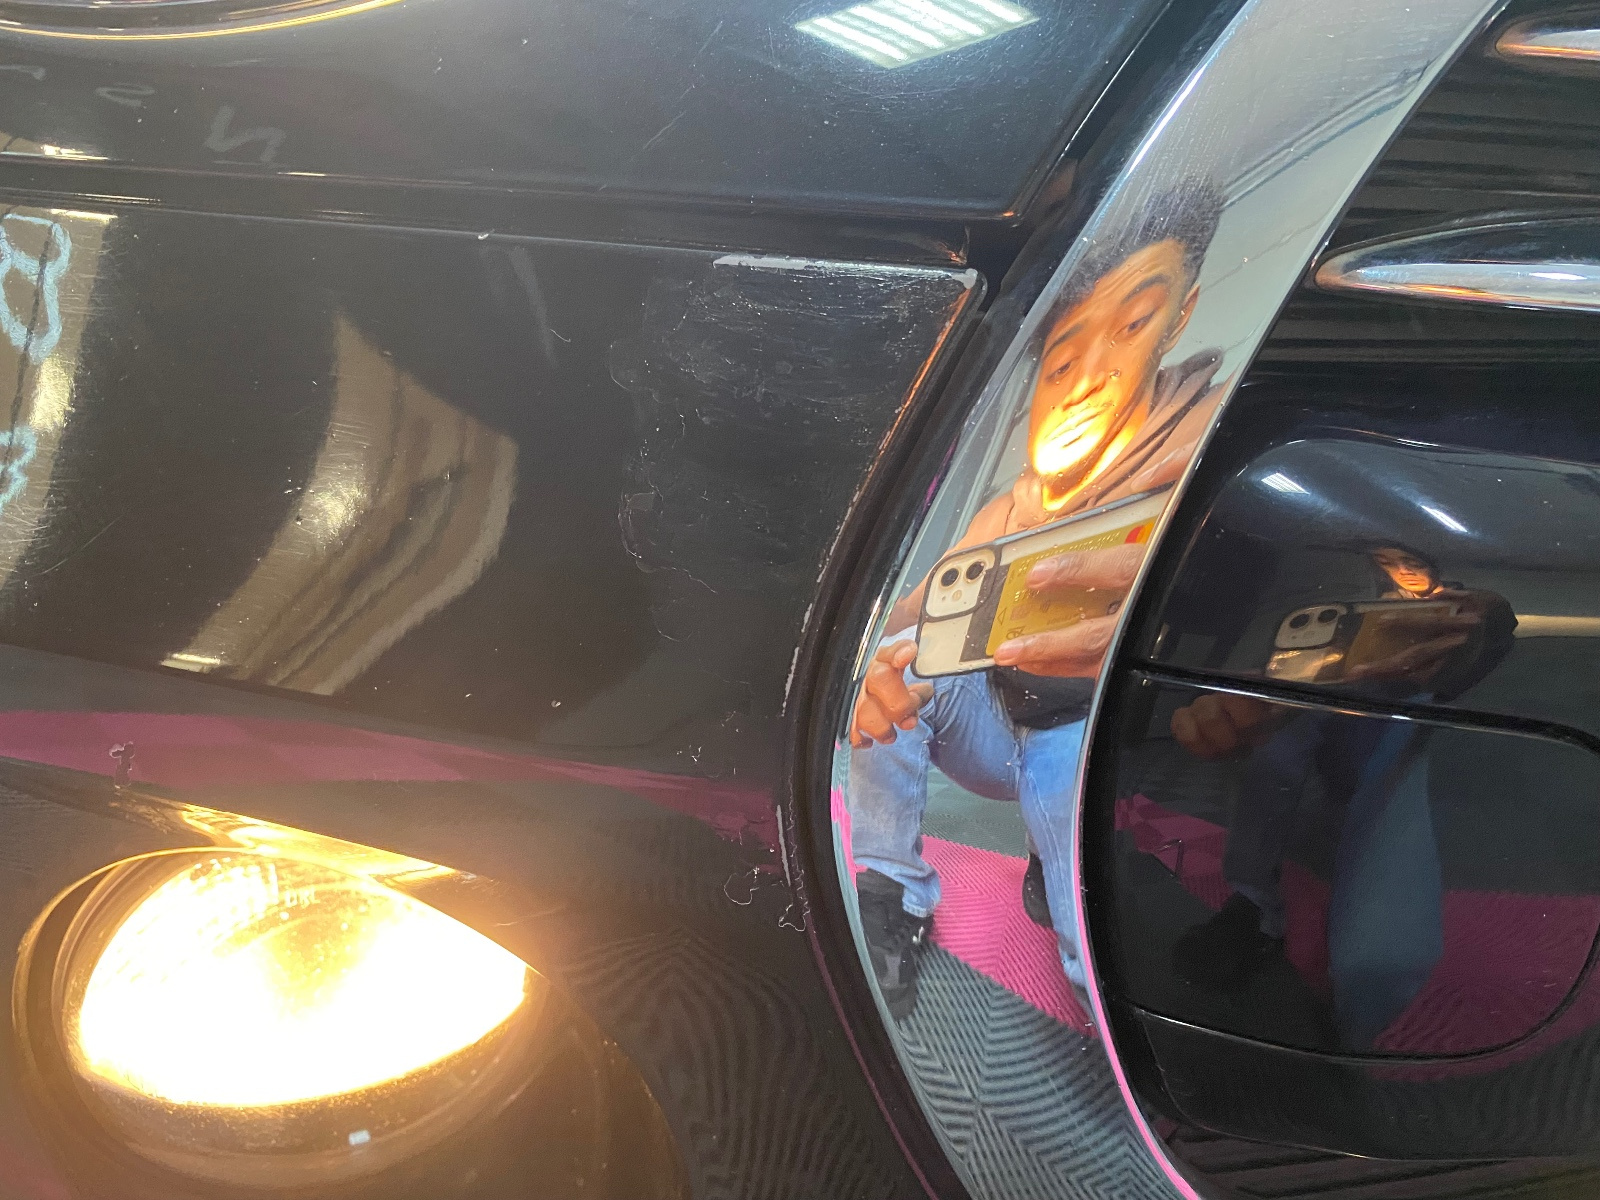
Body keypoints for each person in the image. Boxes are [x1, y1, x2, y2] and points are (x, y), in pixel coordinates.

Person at [846, 180, 1226, 1020]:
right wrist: (863, 654)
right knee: (900, 676)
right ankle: (892, 889)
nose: (1086, 382)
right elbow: (922, 604)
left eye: (1133, 323)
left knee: (1082, 926)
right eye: (1060, 363)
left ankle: (1093, 966)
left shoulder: (1201, 456)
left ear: (1180, 316)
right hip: (1000, 719)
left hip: (1089, 737)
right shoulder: (1014, 505)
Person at [1168, 545, 1515, 1048]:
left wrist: (1476, 620)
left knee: (1377, 832)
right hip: (1331, 717)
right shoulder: (1340, 603)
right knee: (1279, 750)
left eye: (1410, 562)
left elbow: (1495, 623)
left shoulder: (1451, 609)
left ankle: (1351, 1005)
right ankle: (1254, 905)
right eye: (1387, 561)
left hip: (1404, 726)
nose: (1402, 570)